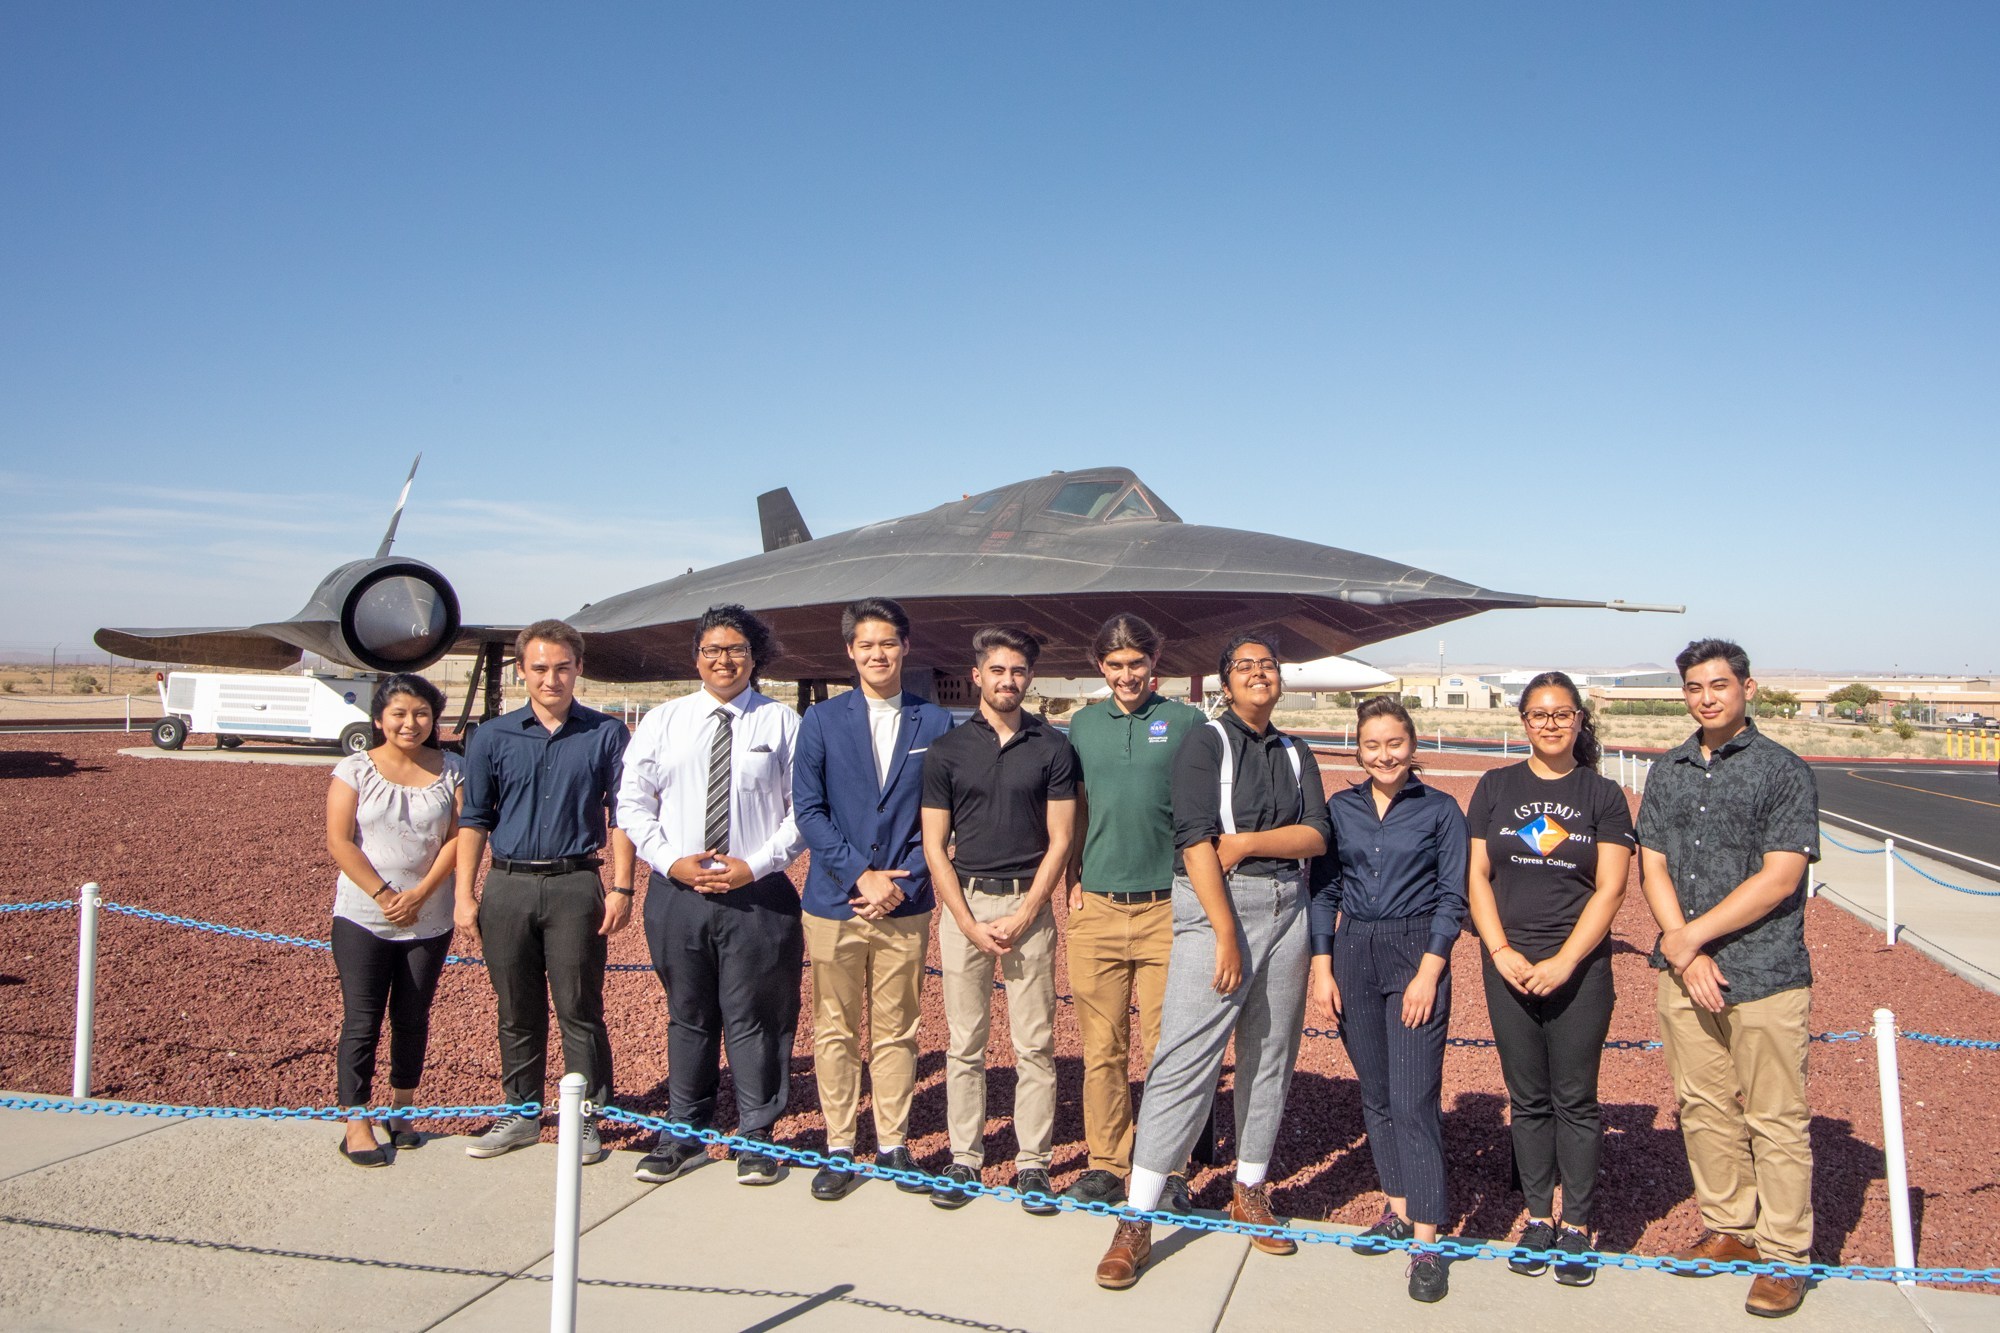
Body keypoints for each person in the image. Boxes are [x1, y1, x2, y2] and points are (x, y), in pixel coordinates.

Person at [1096, 631, 1331, 1290]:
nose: (1260, 673)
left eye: (1268, 665)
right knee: (1184, 1057)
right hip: (1216, 905)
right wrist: (1225, 931)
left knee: (1271, 1051)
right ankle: (1137, 1216)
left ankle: (1249, 1186)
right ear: (1225, 684)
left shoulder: (1293, 750)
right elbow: (1196, 838)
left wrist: (1251, 839)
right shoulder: (1207, 740)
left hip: (1286, 902)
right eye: (1245, 666)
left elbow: (1316, 833)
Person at [1639, 639, 1819, 1319]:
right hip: (1687, 975)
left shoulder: (1784, 771)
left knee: (1774, 1116)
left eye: (1718, 684)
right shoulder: (1670, 769)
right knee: (1704, 1104)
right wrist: (1684, 954)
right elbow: (1651, 863)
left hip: (1765, 971)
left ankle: (1783, 1253)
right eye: (1694, 686)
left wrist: (1690, 936)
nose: (1706, 696)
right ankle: (1730, 1225)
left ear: (1748, 687)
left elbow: (1780, 876)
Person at [620, 604, 808, 1186]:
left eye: (736, 650)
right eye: (712, 651)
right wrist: (669, 860)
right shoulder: (664, 721)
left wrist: (755, 865)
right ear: (696, 658)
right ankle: (685, 1132)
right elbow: (632, 802)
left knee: (758, 1018)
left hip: (758, 895)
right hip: (679, 894)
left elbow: (803, 812)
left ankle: (757, 1135)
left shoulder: (782, 724)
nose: (723, 661)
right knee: (689, 1015)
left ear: (755, 658)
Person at [1465, 672, 1632, 1286]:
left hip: (1579, 969)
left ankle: (1578, 1226)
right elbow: (1477, 875)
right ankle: (1538, 1217)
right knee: (1527, 1099)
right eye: (1539, 714)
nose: (1551, 724)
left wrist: (1565, 962)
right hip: (1507, 964)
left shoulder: (1603, 794)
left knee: (1576, 1100)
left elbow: (1611, 887)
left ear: (1580, 720)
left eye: (1563, 714)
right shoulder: (1496, 785)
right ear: (1524, 721)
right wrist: (1500, 948)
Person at [791, 597, 955, 1201]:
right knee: (834, 1028)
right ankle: (839, 1144)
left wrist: (903, 878)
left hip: (905, 903)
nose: (878, 653)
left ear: (906, 648)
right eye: (866, 645)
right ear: (851, 652)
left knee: (897, 1029)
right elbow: (809, 810)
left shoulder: (934, 724)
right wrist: (862, 877)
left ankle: (893, 1143)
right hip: (835, 901)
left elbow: (942, 817)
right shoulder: (821, 722)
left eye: (888, 643)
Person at [455, 621, 632, 1163]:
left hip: (576, 883)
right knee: (516, 1007)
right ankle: (521, 1112)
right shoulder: (492, 737)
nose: (550, 678)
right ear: (521, 671)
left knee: (579, 1006)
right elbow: (474, 818)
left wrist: (622, 888)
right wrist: (465, 894)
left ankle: (586, 1116)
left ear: (578, 668)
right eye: (539, 668)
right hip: (506, 884)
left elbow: (622, 814)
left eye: (561, 667)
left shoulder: (606, 734)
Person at [1312, 695, 1467, 1304]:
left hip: (1413, 952)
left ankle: (1427, 1243)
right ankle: (1398, 1209)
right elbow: (1323, 891)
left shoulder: (1441, 811)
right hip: (1353, 953)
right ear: (1358, 747)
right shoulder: (1341, 809)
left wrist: (1430, 971)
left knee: (1413, 1099)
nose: (1384, 755)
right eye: (1372, 745)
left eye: (1395, 743)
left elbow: (1453, 897)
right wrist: (1323, 969)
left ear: (1413, 745)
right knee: (1375, 1097)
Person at [921, 625, 1077, 1213]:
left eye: (1018, 671)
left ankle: (1032, 1163)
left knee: (1034, 1044)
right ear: (978, 675)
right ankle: (965, 1158)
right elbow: (936, 845)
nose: (1008, 680)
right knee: (966, 1043)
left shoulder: (1053, 748)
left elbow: (1061, 840)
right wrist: (964, 920)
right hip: (966, 906)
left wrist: (1029, 910)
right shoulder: (947, 750)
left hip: (1028, 907)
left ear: (1028, 678)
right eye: (998, 670)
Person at [1062, 613, 1205, 1209]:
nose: (1127, 675)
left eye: (1137, 664)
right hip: (1096, 906)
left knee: (1168, 1047)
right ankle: (1106, 1161)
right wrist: (1070, 882)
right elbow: (1072, 814)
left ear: (1155, 663)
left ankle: (1169, 1166)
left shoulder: (1187, 722)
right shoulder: (1081, 726)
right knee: (1103, 1047)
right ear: (1101, 666)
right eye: (1115, 665)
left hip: (1166, 905)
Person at [325, 672, 463, 1166]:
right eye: (400, 714)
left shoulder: (453, 770)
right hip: (363, 916)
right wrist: (384, 894)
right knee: (362, 1020)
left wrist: (422, 892)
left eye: (422, 713)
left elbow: (459, 838)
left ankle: (401, 1110)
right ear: (380, 719)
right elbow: (340, 840)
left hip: (429, 918)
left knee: (412, 1018)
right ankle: (356, 1121)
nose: (411, 723)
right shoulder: (354, 770)